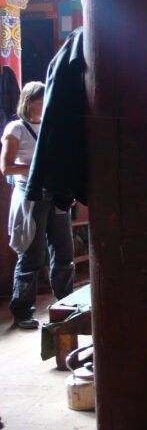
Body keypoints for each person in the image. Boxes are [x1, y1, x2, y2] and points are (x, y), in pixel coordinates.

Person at [1, 82, 73, 329]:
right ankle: (21, 311)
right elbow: (6, 167)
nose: (47, 103)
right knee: (32, 255)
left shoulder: (50, 126)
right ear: (29, 101)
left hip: (56, 194)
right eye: (42, 99)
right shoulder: (16, 129)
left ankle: (67, 303)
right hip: (31, 197)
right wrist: (37, 169)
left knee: (63, 253)